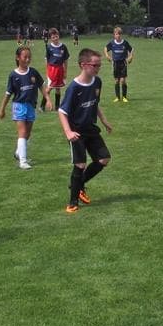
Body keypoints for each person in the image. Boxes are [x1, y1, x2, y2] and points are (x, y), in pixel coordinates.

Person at [58, 48, 114, 213]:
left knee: (104, 159)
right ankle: (73, 202)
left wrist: (104, 121)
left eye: (99, 65)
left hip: (91, 129)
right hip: (76, 131)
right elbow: (62, 111)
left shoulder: (97, 82)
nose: (98, 68)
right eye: (95, 65)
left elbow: (94, 103)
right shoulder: (74, 87)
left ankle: (78, 184)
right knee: (80, 164)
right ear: (84, 65)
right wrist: (68, 132)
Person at [0, 46, 51, 170]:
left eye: (29, 57)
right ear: (18, 58)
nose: (28, 59)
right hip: (19, 106)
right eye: (25, 57)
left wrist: (48, 99)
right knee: (22, 132)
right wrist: (2, 109)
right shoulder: (13, 75)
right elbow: (8, 94)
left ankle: (18, 152)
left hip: (31, 106)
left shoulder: (33, 72)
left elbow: (42, 87)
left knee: (27, 133)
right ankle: (23, 161)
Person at [105, 26, 134, 102]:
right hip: (115, 63)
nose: (118, 36)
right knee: (116, 80)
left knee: (123, 80)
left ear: (121, 35)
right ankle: (117, 97)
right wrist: (107, 55)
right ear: (114, 35)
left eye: (119, 34)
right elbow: (105, 48)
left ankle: (124, 97)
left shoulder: (125, 43)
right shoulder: (112, 43)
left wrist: (131, 57)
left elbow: (131, 50)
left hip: (123, 63)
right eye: (116, 34)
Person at [45, 27, 71, 110]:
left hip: (60, 69)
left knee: (58, 88)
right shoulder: (49, 47)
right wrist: (47, 71)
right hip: (52, 70)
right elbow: (47, 60)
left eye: (56, 36)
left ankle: (57, 106)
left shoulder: (63, 47)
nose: (55, 38)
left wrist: (65, 71)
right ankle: (42, 106)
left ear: (58, 36)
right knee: (49, 88)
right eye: (53, 37)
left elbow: (66, 60)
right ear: (50, 38)